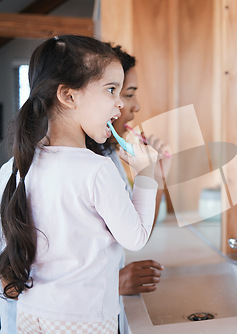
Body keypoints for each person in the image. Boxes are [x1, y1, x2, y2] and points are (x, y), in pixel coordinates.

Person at [0, 35, 158, 333]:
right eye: (112, 90)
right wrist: (147, 174)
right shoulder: (96, 169)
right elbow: (135, 237)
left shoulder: (21, 165)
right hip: (84, 320)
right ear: (69, 96)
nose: (120, 103)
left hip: (31, 315)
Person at [86, 44, 164, 334]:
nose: (132, 106)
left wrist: (156, 177)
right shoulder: (23, 173)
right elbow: (10, 279)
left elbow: (135, 232)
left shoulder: (108, 157)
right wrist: (111, 282)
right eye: (125, 93)